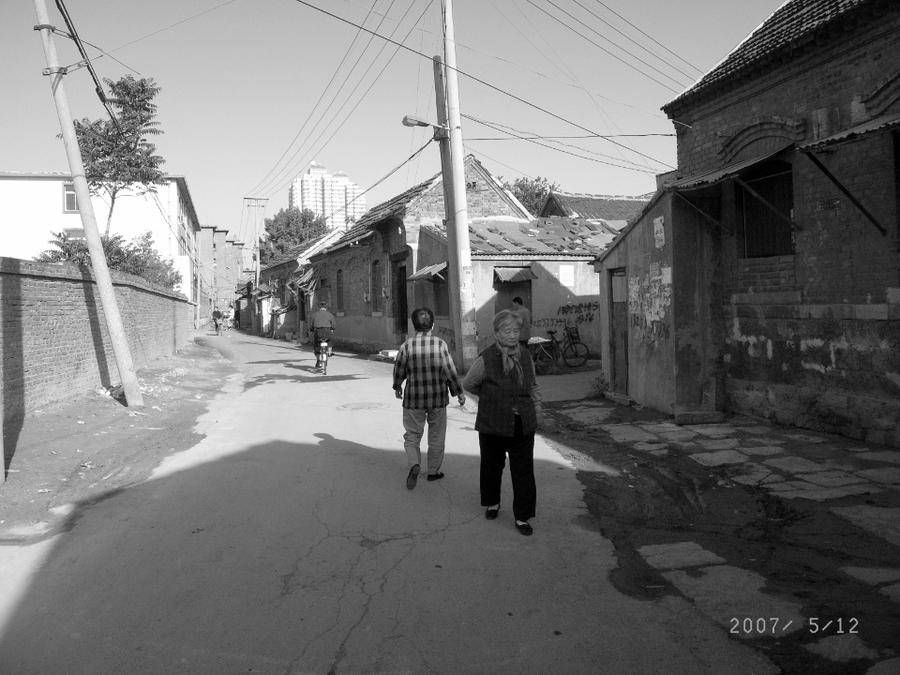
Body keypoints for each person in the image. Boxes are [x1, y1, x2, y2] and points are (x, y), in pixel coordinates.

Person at [462, 309, 544, 536]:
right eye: (507, 330)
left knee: (523, 470)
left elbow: (533, 385)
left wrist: (537, 409)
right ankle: (492, 503)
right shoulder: (486, 358)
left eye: (516, 330)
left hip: (522, 422)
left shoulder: (526, 355)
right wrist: (490, 397)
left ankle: (522, 517)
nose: (512, 335)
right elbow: (468, 384)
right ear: (496, 333)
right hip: (493, 421)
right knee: (491, 466)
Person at [392, 307, 466, 490]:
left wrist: (397, 386)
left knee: (412, 436)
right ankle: (433, 471)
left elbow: (399, 370)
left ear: (413, 325)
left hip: (413, 399)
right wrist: (459, 392)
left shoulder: (406, 345)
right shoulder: (440, 344)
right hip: (437, 399)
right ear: (432, 324)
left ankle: (414, 464)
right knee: (437, 436)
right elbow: (449, 370)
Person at [309, 300, 336, 368]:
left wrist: (311, 329)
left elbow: (311, 325)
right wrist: (332, 329)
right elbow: (333, 325)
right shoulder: (330, 314)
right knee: (330, 340)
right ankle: (329, 351)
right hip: (327, 332)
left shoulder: (315, 314)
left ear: (319, 307)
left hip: (318, 332)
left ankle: (318, 360)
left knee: (317, 346)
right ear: (326, 308)